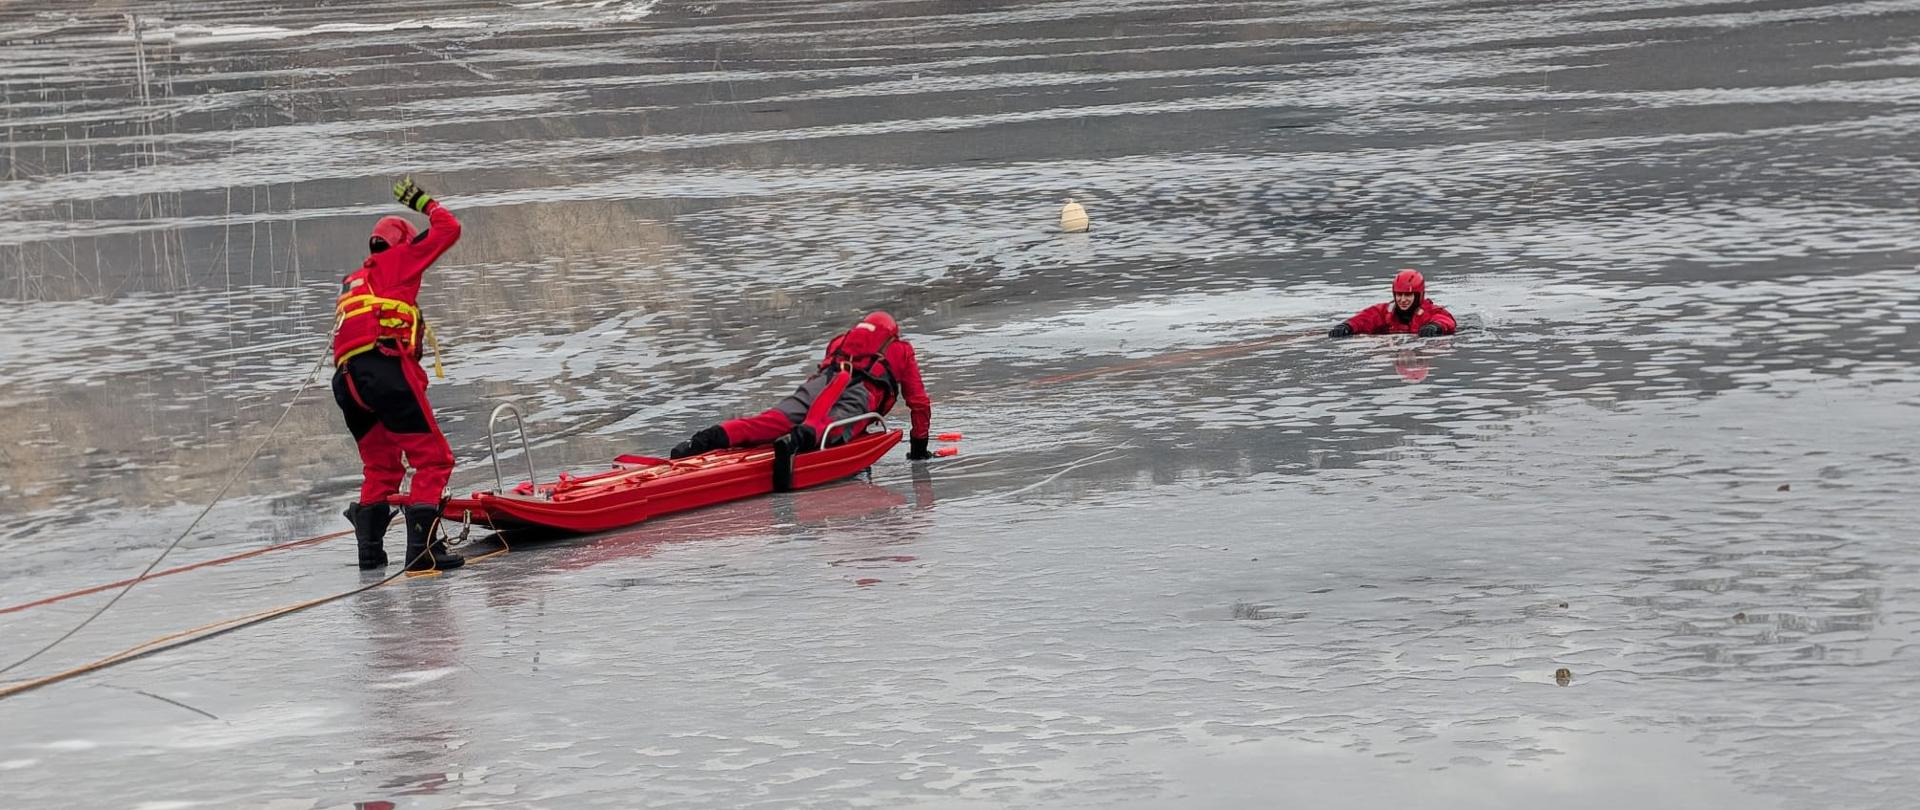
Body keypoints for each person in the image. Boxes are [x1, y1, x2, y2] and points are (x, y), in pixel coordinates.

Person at [333, 176, 465, 572]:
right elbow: (449, 228)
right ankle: (423, 552)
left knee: (382, 466)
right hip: (383, 370)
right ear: (403, 242)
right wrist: (423, 202)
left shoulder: (354, 281)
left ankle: (370, 553)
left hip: (346, 381)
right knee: (434, 460)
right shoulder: (400, 259)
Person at [671, 312, 934, 472]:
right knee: (833, 426)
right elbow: (919, 402)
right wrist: (919, 448)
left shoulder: (840, 341)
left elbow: (824, 372)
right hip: (860, 393)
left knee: (770, 420)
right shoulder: (901, 349)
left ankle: (702, 441)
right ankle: (797, 440)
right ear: (893, 334)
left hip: (821, 383)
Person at [1328, 268, 1456, 338]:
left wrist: (1435, 326)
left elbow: (1446, 320)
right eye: (1399, 295)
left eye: (1408, 295)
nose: (1403, 300)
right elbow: (1364, 319)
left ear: (1418, 295)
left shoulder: (1431, 312)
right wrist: (1347, 326)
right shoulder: (1384, 311)